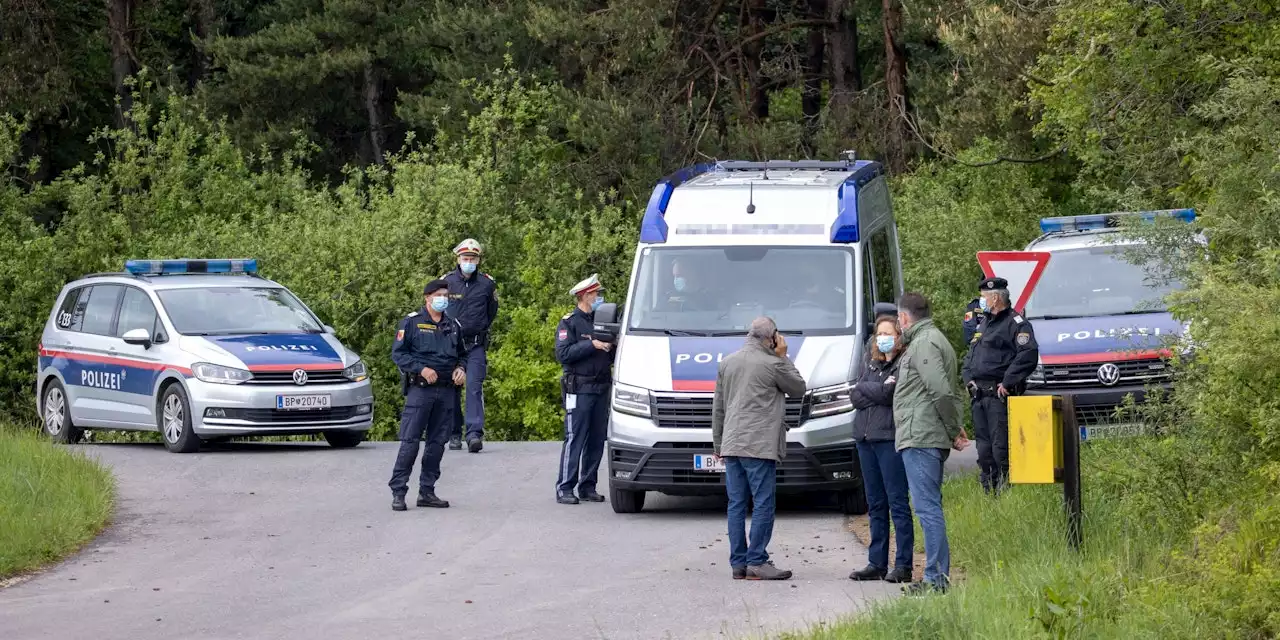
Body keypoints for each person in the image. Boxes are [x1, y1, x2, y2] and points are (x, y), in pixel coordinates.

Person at [711, 317, 808, 581]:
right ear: (772, 338)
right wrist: (784, 356)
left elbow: (718, 407)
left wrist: (718, 443)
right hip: (759, 446)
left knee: (736, 504)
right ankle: (757, 560)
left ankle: (738, 563)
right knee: (763, 503)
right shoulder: (773, 363)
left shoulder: (727, 363)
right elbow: (799, 388)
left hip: (731, 444)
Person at [893, 292, 969, 594]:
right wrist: (953, 425)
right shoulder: (935, 339)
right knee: (928, 506)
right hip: (924, 433)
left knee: (927, 509)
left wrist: (952, 428)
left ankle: (936, 580)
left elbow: (939, 390)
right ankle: (936, 578)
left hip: (921, 435)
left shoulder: (924, 343)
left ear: (904, 318)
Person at [388, 279, 468, 512]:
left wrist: (461, 369)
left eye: (446, 294)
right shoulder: (411, 323)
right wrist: (421, 369)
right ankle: (399, 491)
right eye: (439, 294)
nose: (443, 298)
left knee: (437, 444)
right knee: (410, 442)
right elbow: (398, 354)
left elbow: (463, 355)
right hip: (420, 391)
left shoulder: (453, 326)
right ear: (428, 298)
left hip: (446, 391)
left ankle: (427, 491)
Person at [848, 316, 913, 584]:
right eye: (879, 333)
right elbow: (854, 395)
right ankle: (876, 562)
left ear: (899, 337)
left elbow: (890, 396)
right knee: (875, 503)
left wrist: (865, 389)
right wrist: (869, 388)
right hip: (865, 438)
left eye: (888, 332)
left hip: (889, 439)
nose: (883, 337)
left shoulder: (902, 364)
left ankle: (903, 564)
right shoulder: (870, 363)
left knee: (897, 502)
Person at [961, 276, 1039, 494]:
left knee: (1000, 448)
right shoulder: (985, 323)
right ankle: (989, 492)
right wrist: (968, 379)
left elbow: (1028, 354)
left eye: (984, 297)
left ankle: (1007, 492)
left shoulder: (1016, 324)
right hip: (979, 396)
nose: (981, 301)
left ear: (995, 298)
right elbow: (971, 356)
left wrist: (1008, 381)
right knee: (984, 449)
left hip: (999, 396)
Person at [555, 274, 616, 505]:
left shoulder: (602, 321)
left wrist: (613, 345)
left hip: (601, 388)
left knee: (597, 439)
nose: (599, 298)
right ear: (585, 296)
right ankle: (565, 487)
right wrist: (591, 344)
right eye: (595, 295)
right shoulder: (569, 322)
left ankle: (587, 486)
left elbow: (610, 355)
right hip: (579, 389)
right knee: (575, 438)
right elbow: (563, 354)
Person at [443, 238, 499, 453]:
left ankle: (474, 434)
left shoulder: (487, 283)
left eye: (473, 258)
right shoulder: (447, 282)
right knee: (452, 388)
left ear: (478, 260)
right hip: (451, 345)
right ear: (458, 259)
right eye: (465, 258)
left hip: (475, 344)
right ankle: (454, 434)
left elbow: (491, 312)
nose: (469, 261)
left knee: (474, 387)